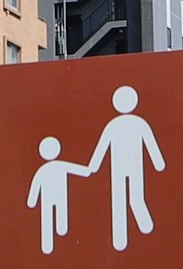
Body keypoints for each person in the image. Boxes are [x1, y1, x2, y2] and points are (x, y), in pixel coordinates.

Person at [83, 84, 165, 250]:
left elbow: (149, 144)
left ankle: (129, 235)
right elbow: (103, 146)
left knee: (121, 198)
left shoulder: (117, 125)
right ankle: (141, 228)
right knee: (132, 196)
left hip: (125, 166)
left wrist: (93, 166)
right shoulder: (134, 123)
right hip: (127, 166)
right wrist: (158, 163)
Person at [24, 134, 82, 253]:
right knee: (56, 218)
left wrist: (32, 201)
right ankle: (56, 237)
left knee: (49, 219)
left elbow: (35, 185)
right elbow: (79, 170)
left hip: (50, 198)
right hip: (57, 197)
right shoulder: (57, 166)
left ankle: (50, 244)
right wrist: (89, 170)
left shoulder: (44, 170)